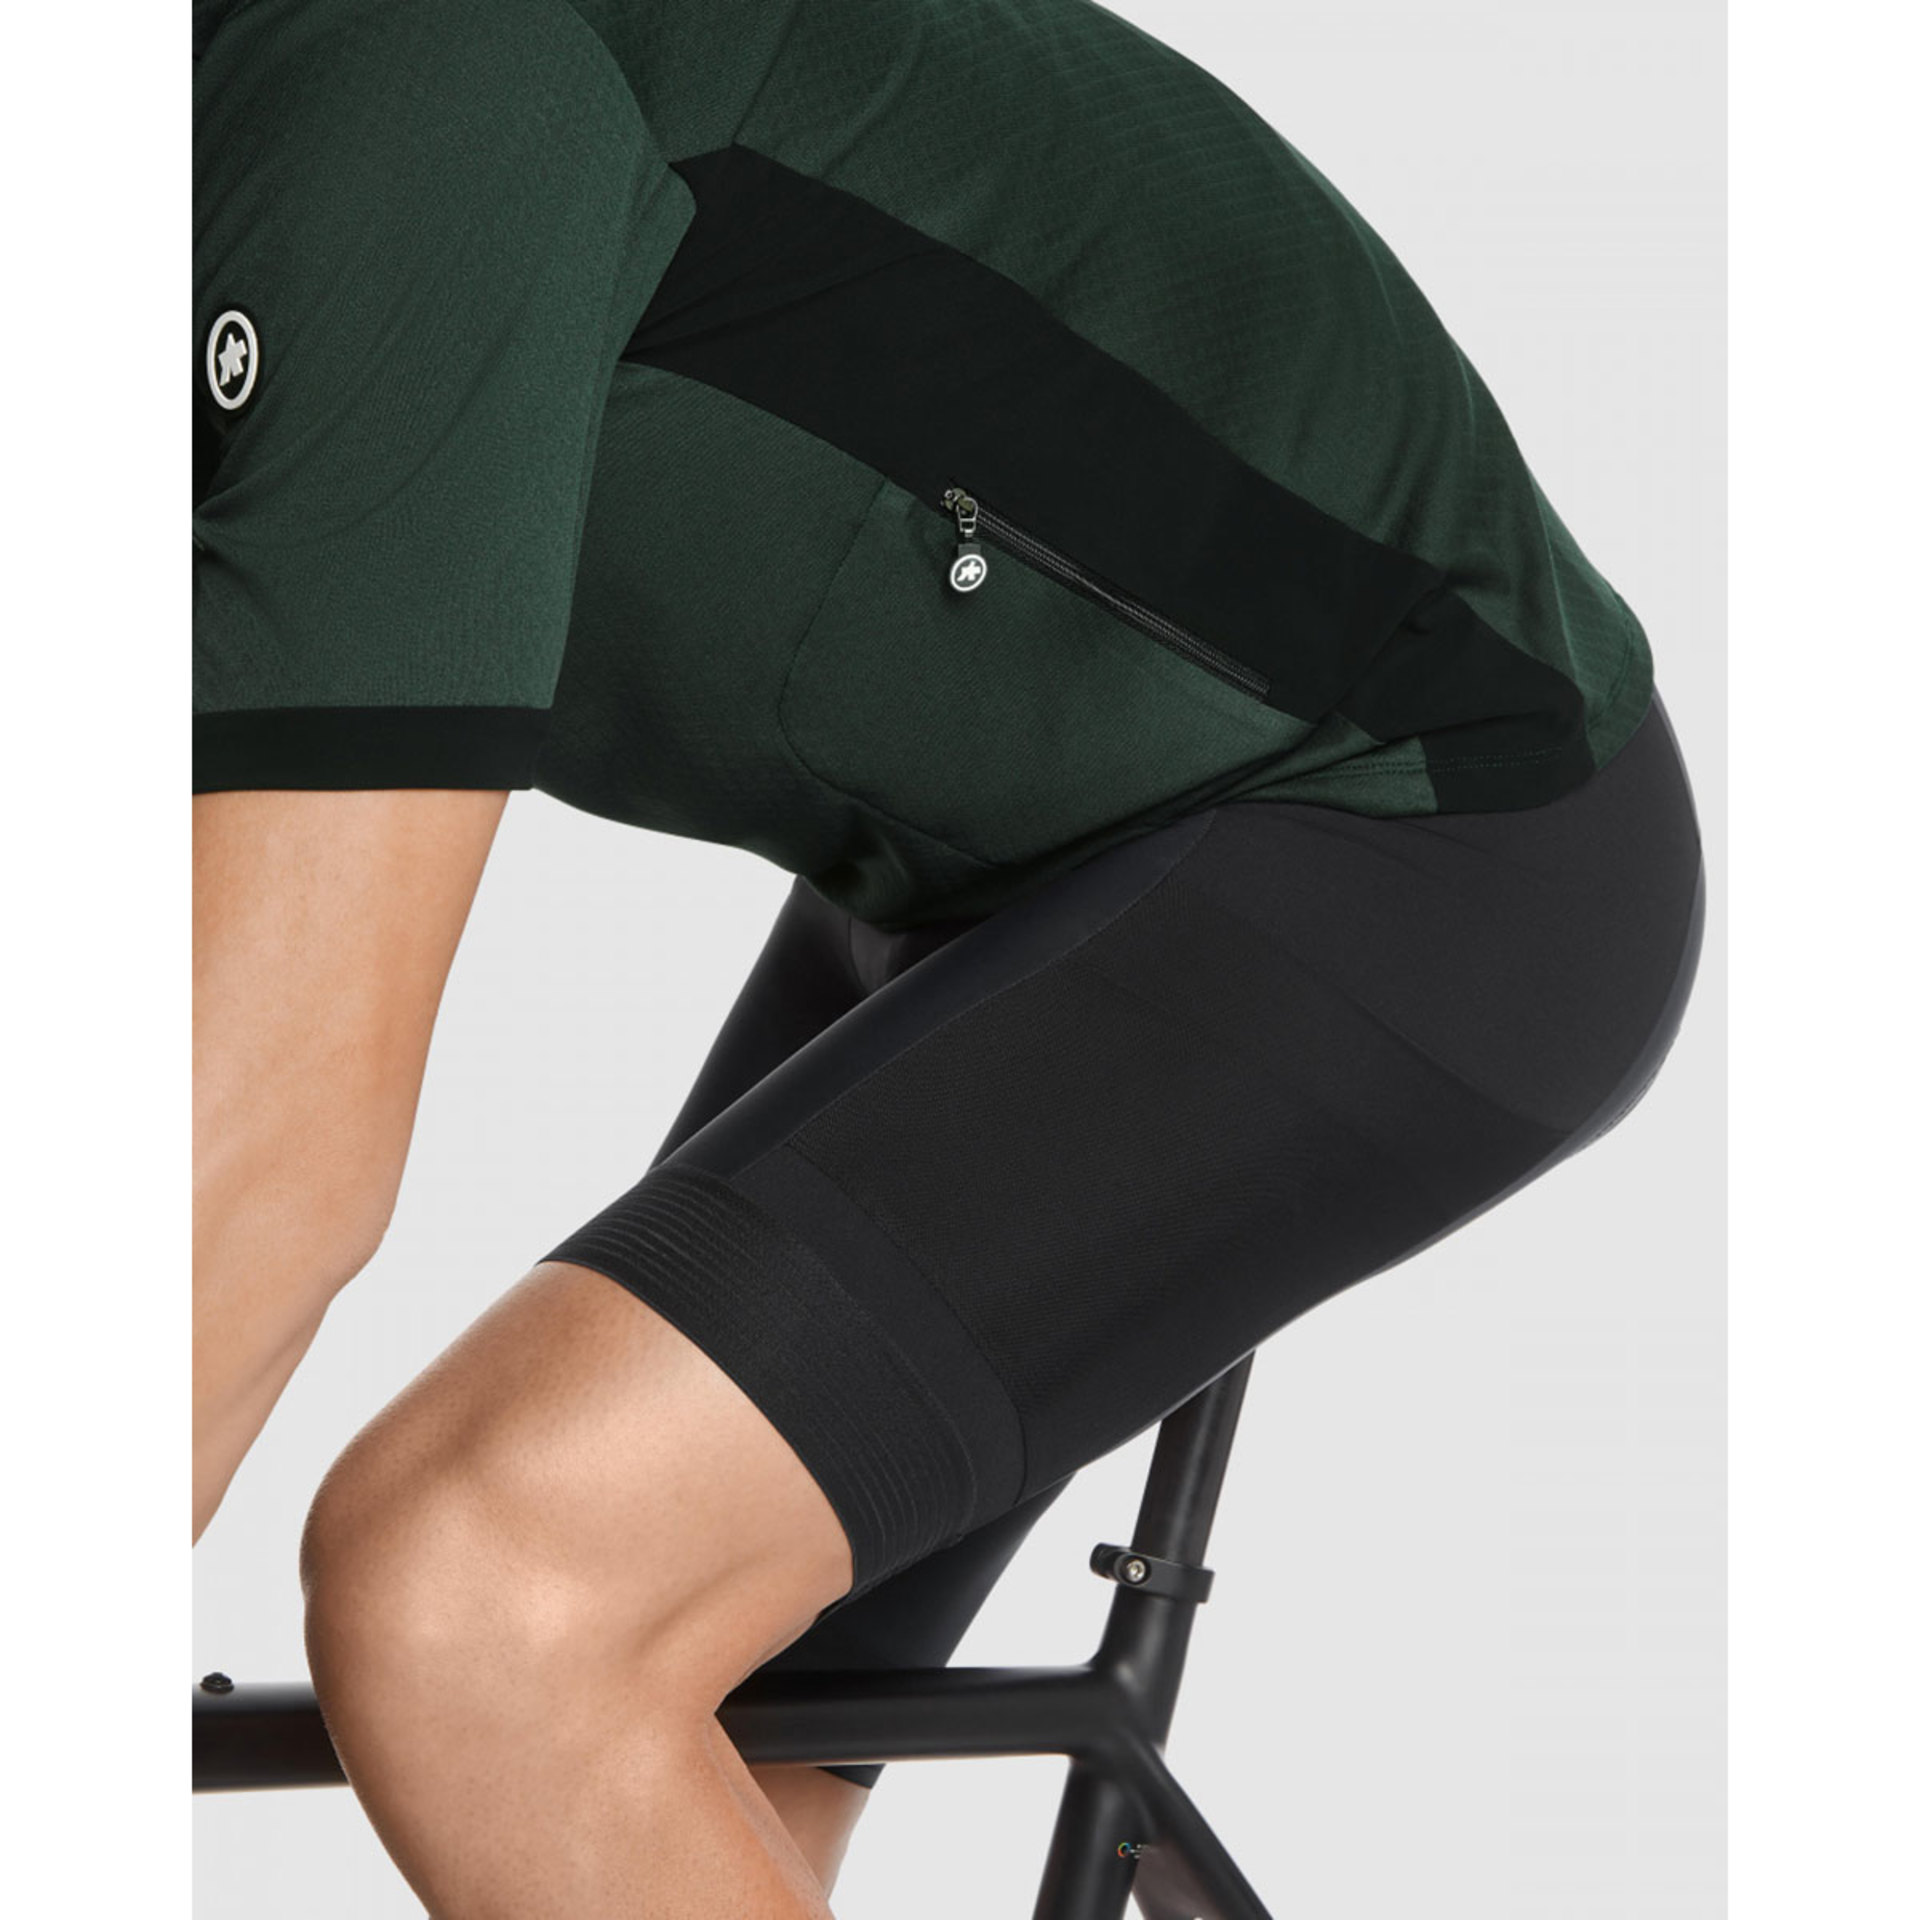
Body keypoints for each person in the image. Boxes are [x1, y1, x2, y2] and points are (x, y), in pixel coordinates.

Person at [192, 0, 1706, 1909]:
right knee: (621, 1794)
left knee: (490, 1598)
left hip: (1412, 838)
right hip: (991, 861)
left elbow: (262, 1151)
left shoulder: (387, 77)